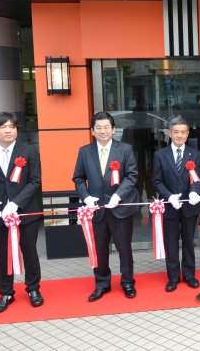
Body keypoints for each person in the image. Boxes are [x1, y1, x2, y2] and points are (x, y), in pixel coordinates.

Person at [0, 112, 44, 313]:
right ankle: (6, 292)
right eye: (3, 127)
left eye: (12, 126)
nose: (8, 130)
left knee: (30, 253)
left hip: (25, 213)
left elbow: (35, 181)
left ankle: (33, 289)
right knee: (3, 255)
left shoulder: (28, 151)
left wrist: (16, 203)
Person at [72, 111, 143, 301]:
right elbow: (78, 178)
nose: (103, 131)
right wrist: (86, 197)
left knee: (124, 248)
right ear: (92, 131)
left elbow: (131, 176)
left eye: (106, 127)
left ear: (113, 129)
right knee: (100, 248)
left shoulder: (125, 149)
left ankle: (127, 282)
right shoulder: (84, 151)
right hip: (97, 210)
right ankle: (102, 284)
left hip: (119, 208)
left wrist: (119, 195)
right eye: (98, 128)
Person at [152, 117, 200, 292]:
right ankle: (173, 276)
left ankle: (189, 274)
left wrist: (194, 192)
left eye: (183, 132)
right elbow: (157, 181)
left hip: (190, 205)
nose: (180, 135)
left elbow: (197, 178)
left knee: (189, 241)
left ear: (188, 133)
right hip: (170, 206)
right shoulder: (160, 155)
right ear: (169, 133)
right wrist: (169, 196)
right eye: (176, 132)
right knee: (171, 241)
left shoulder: (195, 154)